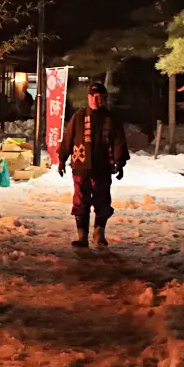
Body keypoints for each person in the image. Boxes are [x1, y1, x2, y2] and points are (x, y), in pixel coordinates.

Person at [57, 82, 127, 248]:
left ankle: (99, 233)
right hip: (81, 166)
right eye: (93, 96)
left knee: (102, 201)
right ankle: (82, 236)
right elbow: (68, 138)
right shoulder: (79, 116)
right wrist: (61, 159)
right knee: (81, 202)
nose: (96, 100)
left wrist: (120, 162)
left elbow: (119, 142)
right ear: (88, 97)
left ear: (104, 98)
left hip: (103, 167)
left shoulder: (111, 119)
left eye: (100, 97)